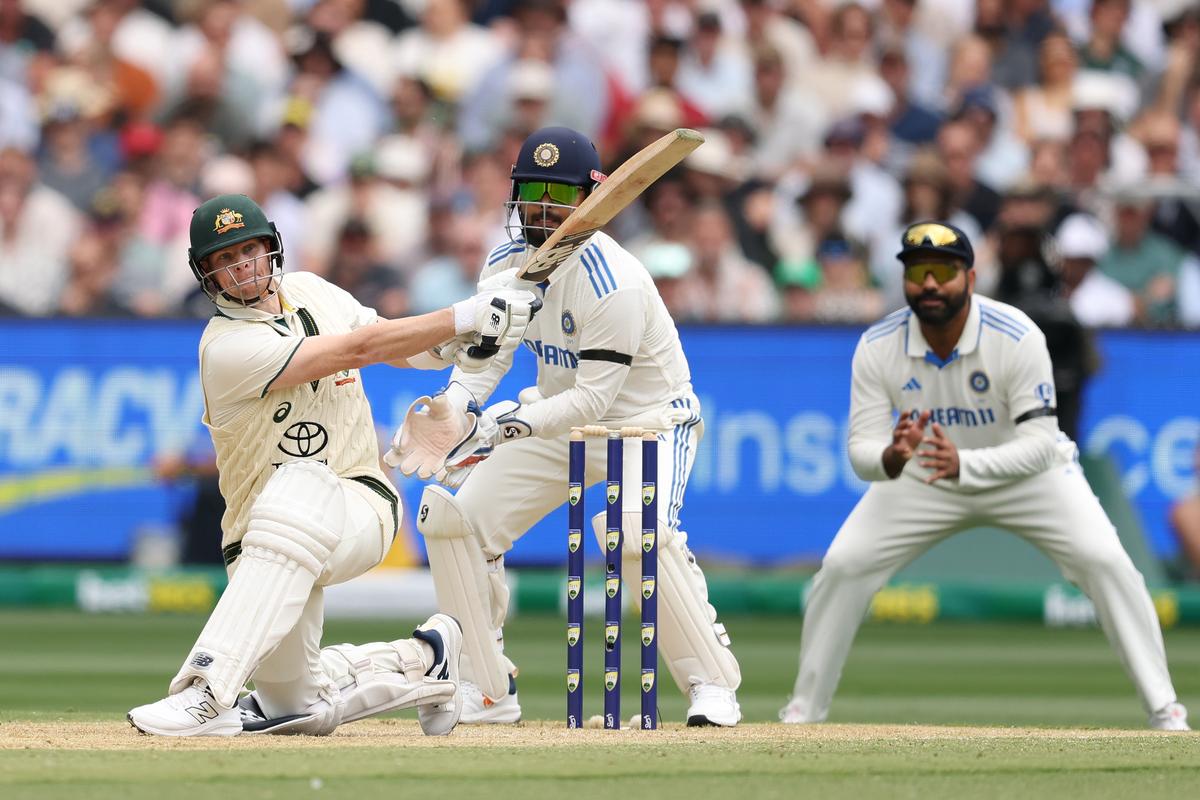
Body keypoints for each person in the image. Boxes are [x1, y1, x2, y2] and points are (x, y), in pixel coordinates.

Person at [126, 193, 540, 737]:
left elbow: (401, 346)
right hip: (257, 544)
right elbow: (356, 350)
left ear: (271, 248)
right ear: (207, 275)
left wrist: (469, 338)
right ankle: (425, 658)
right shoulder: (224, 348)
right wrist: (463, 314)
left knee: (300, 481)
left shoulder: (316, 291)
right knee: (296, 709)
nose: (242, 268)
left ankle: (205, 690)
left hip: (358, 500)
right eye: (225, 260)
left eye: (248, 250)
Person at [388, 127, 743, 726]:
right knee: (458, 524)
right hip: (554, 421)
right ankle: (486, 684)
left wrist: (497, 428)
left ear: (592, 199)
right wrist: (456, 407)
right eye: (532, 190)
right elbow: (489, 355)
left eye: (559, 192)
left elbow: (593, 400)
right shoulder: (505, 260)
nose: (543, 206)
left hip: (646, 424)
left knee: (636, 535)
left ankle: (712, 685)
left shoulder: (616, 281)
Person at [778, 220, 1189, 731]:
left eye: (943, 272)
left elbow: (1040, 445)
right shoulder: (877, 344)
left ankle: (1164, 709)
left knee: (1105, 561)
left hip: (1026, 475)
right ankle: (803, 711)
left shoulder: (1016, 335)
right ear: (904, 280)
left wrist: (966, 465)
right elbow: (861, 450)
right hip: (924, 473)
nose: (930, 284)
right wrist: (892, 457)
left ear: (969, 279)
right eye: (919, 272)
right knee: (842, 566)